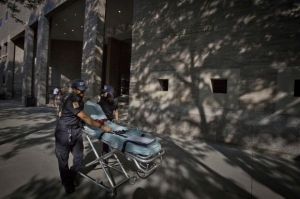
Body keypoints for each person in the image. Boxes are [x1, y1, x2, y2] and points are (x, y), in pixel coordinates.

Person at [54, 79, 111, 194]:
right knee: (63, 160)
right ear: (73, 89)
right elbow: (86, 118)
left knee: (79, 157)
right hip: (64, 133)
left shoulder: (78, 98)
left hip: (76, 131)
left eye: (83, 90)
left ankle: (72, 175)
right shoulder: (71, 101)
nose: (82, 93)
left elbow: (82, 99)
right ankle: (67, 183)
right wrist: (102, 127)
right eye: (80, 91)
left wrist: (88, 99)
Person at [98, 85, 119, 155]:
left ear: (108, 93)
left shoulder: (105, 100)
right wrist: (116, 119)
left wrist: (116, 120)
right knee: (106, 138)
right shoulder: (104, 99)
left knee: (107, 138)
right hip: (104, 120)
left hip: (107, 120)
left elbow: (116, 110)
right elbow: (116, 111)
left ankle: (105, 154)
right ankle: (105, 153)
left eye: (105, 92)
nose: (104, 94)